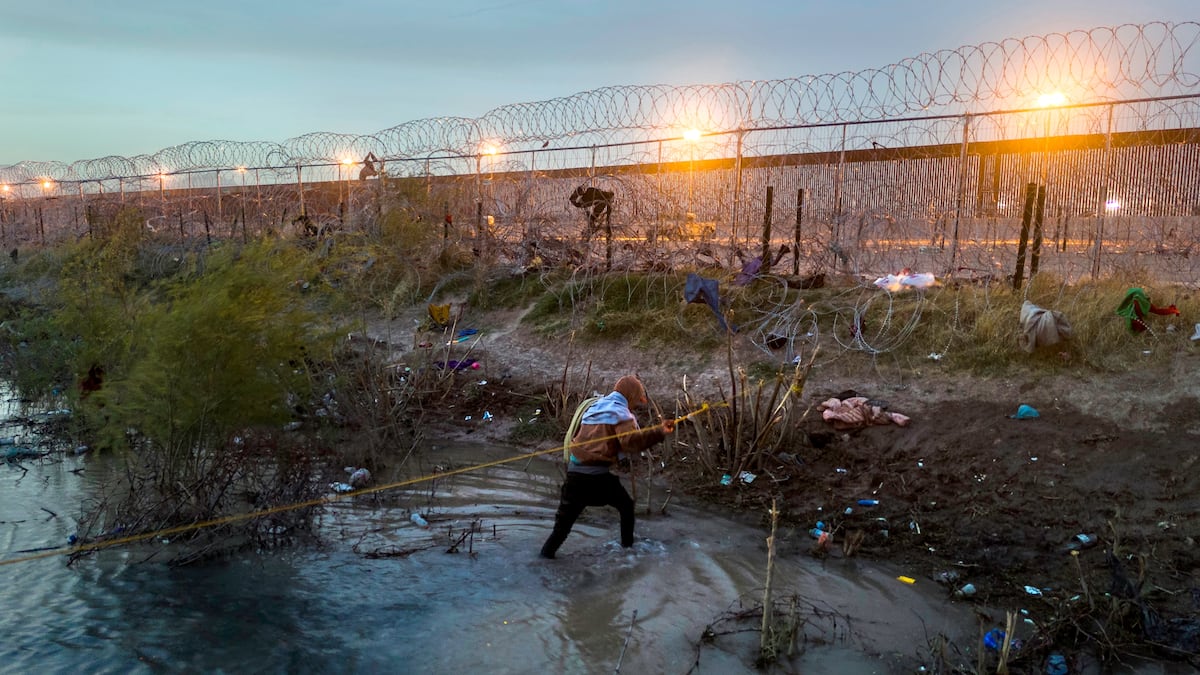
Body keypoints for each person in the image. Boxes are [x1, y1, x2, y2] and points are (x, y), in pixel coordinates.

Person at [539, 375, 675, 559]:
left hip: (573, 476)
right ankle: (628, 552)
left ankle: (544, 557)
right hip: (596, 479)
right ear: (631, 396)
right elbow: (630, 443)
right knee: (626, 506)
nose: (636, 405)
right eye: (637, 399)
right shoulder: (621, 415)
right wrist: (660, 431)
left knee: (561, 528)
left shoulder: (595, 407)